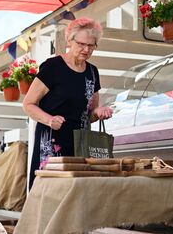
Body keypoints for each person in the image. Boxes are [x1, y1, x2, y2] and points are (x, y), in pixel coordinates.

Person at [23, 17, 113, 189]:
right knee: (48, 189)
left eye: (91, 45)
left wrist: (99, 112)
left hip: (80, 143)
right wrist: (49, 119)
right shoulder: (52, 67)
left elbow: (90, 114)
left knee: (75, 190)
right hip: (52, 141)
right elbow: (28, 104)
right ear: (69, 40)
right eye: (81, 44)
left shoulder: (92, 72)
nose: (86, 49)